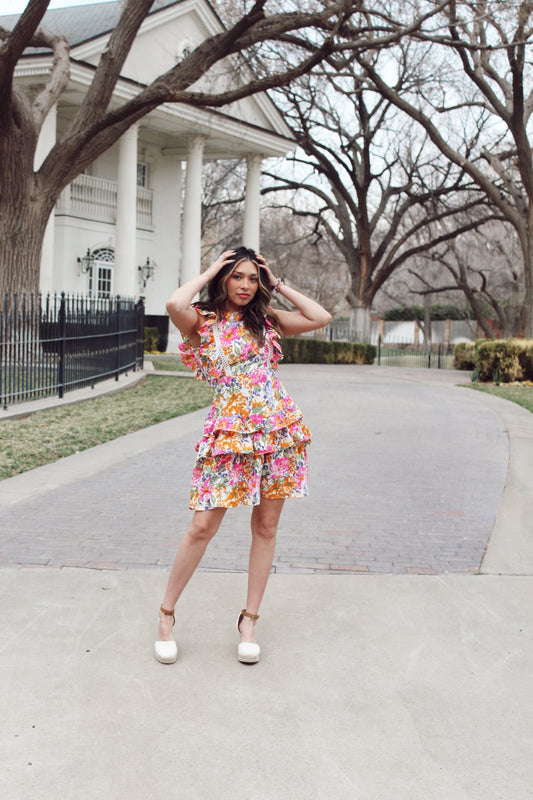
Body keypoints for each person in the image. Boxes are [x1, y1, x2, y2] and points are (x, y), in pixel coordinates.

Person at [155, 246, 331, 665]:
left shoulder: (267, 320)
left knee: (266, 526)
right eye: (238, 277)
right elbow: (173, 303)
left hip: (278, 431)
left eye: (253, 279)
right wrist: (213, 267)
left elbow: (321, 317)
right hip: (229, 434)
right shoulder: (203, 321)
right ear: (224, 279)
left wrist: (277, 284)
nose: (246, 286)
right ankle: (166, 615)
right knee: (202, 525)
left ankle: (249, 620)